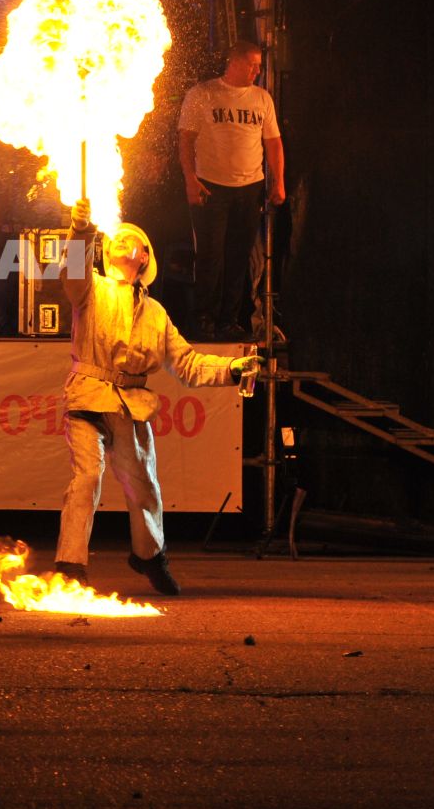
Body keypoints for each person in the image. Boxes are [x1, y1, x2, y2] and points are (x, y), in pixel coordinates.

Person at [52, 198, 260, 596]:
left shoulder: (157, 314)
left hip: (131, 404)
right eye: (117, 237)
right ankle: (70, 565)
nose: (122, 239)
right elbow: (72, 269)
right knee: (87, 478)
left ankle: (149, 556)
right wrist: (79, 231)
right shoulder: (90, 290)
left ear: (145, 256)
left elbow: (187, 364)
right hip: (88, 399)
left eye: (133, 239)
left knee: (144, 487)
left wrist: (231, 369)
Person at [177, 40, 285, 340]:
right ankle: (203, 320)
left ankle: (229, 321)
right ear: (234, 62)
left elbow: (273, 143)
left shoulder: (262, 99)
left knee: (239, 257)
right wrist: (190, 179)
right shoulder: (203, 94)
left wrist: (279, 182)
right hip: (210, 186)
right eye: (252, 64)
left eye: (259, 66)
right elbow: (185, 140)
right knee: (210, 256)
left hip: (249, 188)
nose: (257, 71)